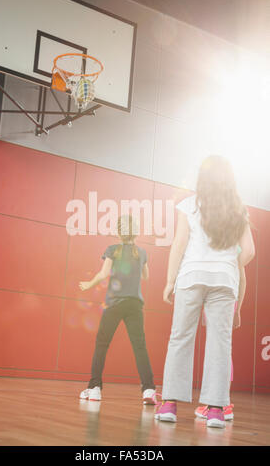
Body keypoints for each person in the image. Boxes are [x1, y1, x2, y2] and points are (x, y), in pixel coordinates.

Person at [155, 155, 255, 428]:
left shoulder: (189, 205)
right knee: (220, 344)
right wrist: (227, 264)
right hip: (224, 281)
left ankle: (170, 405)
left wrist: (169, 281)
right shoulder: (239, 210)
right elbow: (249, 252)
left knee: (180, 339)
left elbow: (179, 244)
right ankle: (215, 410)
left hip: (191, 277)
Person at [79, 215, 156, 403]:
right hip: (135, 305)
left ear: (119, 232)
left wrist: (89, 284)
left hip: (114, 304)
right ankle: (148, 390)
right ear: (135, 232)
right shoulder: (142, 252)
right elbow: (146, 276)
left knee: (102, 344)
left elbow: (104, 274)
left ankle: (95, 388)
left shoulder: (112, 250)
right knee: (140, 347)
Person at [195, 266, 246, 421]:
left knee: (220, 350)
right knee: (220, 349)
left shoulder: (230, 247)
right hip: (224, 299)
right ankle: (221, 403)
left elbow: (242, 279)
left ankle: (222, 404)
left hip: (223, 298)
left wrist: (237, 311)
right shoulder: (232, 248)